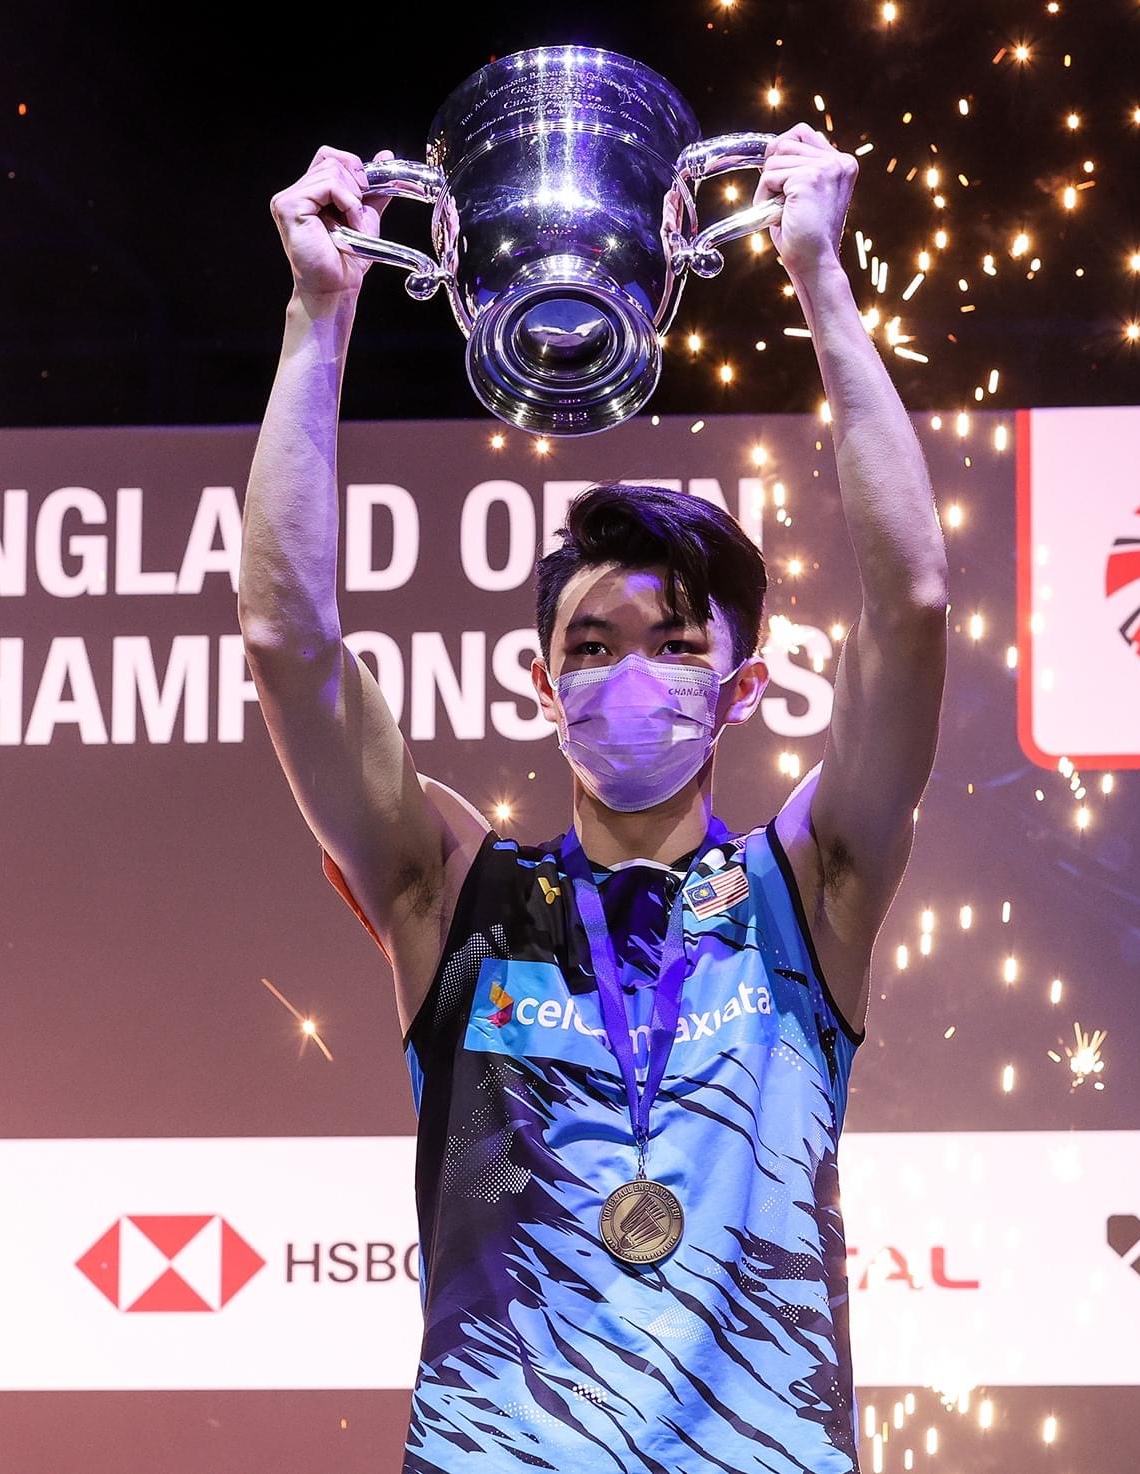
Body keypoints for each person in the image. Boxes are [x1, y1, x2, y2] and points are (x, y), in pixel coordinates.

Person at [242, 122, 949, 1474]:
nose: (632, 675)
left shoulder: (811, 889)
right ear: (542, 682)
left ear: (741, 689)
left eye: (676, 643)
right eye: (592, 645)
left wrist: (821, 278)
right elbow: (288, 642)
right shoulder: (452, 895)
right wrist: (316, 318)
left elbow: (911, 605)